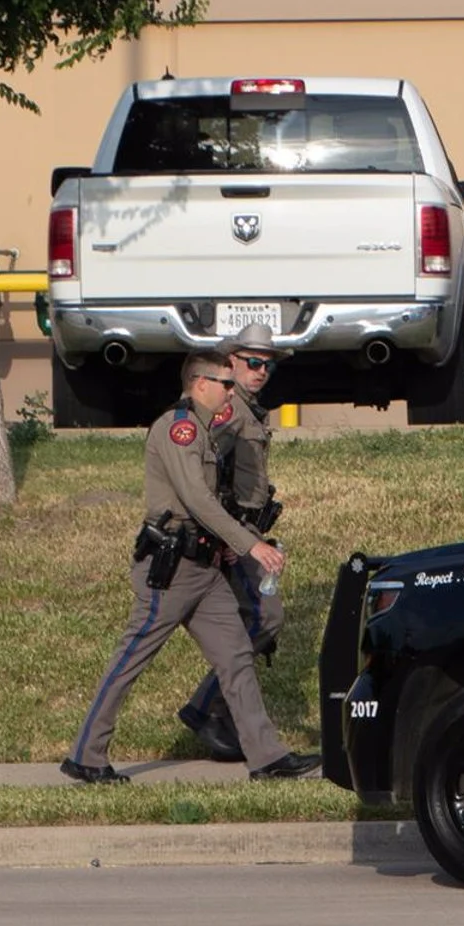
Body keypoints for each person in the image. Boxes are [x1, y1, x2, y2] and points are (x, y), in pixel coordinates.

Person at [62, 349, 320, 784]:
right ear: (201, 383)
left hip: (203, 570)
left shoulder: (207, 430)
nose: (231, 389)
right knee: (130, 661)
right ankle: (86, 755)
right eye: (224, 383)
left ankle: (266, 757)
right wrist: (249, 545)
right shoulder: (179, 429)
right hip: (171, 571)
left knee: (237, 656)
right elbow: (197, 499)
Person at [176, 322, 291, 761]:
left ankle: (220, 711)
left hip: (247, 529)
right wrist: (228, 534)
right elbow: (207, 474)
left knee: (253, 620)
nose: (261, 371)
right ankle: (205, 708)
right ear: (231, 363)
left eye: (267, 364)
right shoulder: (227, 413)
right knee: (264, 616)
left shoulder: (249, 409)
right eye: (252, 362)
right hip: (233, 533)